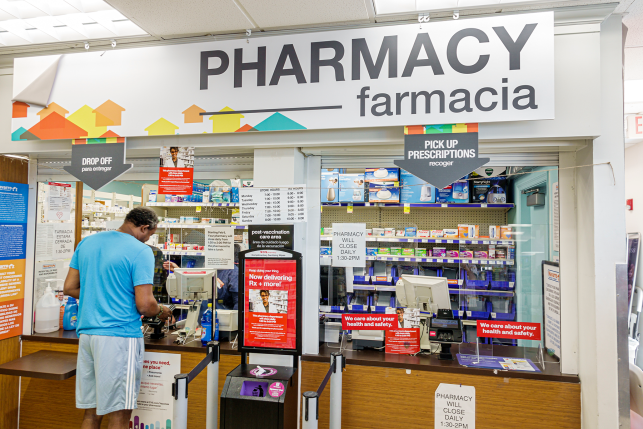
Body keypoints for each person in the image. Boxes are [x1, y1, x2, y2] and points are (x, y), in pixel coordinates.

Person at [63, 207, 172, 429]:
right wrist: (162, 311)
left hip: (88, 336)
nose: (148, 239)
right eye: (150, 235)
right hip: (119, 337)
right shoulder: (140, 251)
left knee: (91, 413)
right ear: (144, 228)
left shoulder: (87, 243)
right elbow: (145, 305)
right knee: (120, 414)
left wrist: (100, 294)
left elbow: (70, 287)